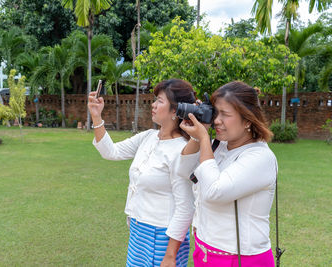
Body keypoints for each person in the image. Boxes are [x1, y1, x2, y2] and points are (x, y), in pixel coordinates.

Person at [88, 79, 196, 267]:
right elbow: (111, 152)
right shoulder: (148, 137)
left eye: (160, 101)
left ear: (175, 110)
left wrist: (170, 255)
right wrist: (97, 117)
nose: (153, 105)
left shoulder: (183, 150)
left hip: (162, 235)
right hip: (138, 229)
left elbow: (186, 207)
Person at [177, 81, 277, 266]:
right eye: (216, 112)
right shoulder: (219, 147)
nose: (216, 121)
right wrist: (197, 137)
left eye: (225, 114)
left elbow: (215, 192)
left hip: (241, 259)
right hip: (205, 252)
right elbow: (184, 171)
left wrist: (205, 139)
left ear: (247, 120)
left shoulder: (261, 157)